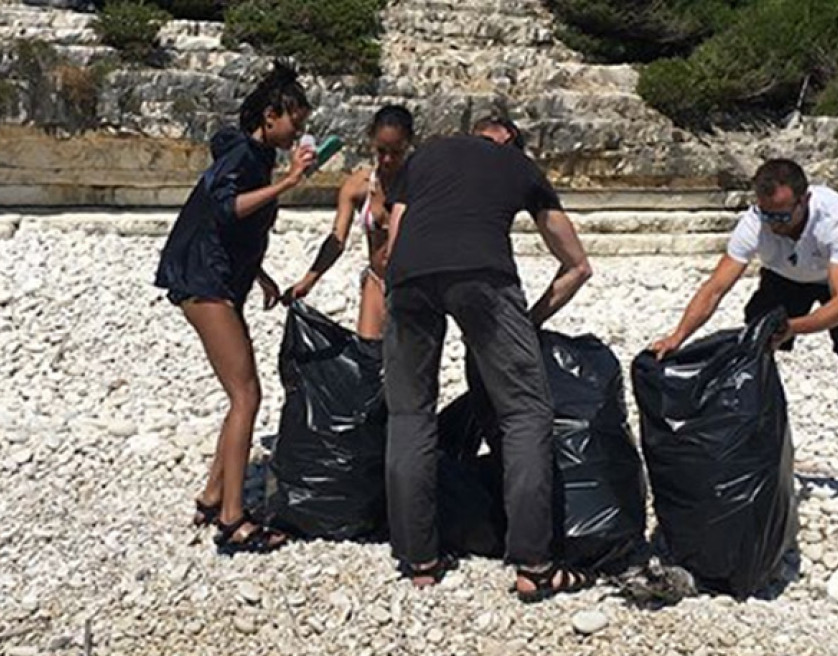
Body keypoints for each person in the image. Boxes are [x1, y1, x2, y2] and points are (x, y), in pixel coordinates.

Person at [381, 117, 596, 601]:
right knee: (524, 412)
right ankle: (535, 567)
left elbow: (394, 242)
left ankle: (420, 560)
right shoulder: (516, 163)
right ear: (507, 139)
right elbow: (577, 264)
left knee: (409, 413)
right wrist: (531, 319)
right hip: (483, 276)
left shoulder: (425, 156)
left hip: (408, 280)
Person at [648, 158, 838, 522]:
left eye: (782, 216)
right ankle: (753, 459)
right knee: (751, 358)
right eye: (767, 215)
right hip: (784, 276)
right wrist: (677, 335)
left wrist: (793, 327)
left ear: (805, 200)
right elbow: (716, 287)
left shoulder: (836, 219)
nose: (775, 225)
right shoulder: (756, 223)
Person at [154, 62, 316, 554]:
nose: (299, 132)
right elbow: (226, 208)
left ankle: (211, 497)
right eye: (295, 122)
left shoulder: (254, 154)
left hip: (218, 278)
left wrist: (260, 274)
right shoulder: (247, 155)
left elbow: (231, 226)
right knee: (247, 395)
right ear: (270, 115)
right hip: (205, 282)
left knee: (241, 394)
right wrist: (289, 184)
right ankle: (232, 521)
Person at [285, 105, 415, 338]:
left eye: (396, 152)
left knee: (408, 367)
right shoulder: (358, 185)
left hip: (412, 284)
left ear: (408, 144)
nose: (387, 160)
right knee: (367, 357)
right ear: (371, 142)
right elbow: (337, 240)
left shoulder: (420, 182)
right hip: (376, 281)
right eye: (381, 151)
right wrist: (309, 280)